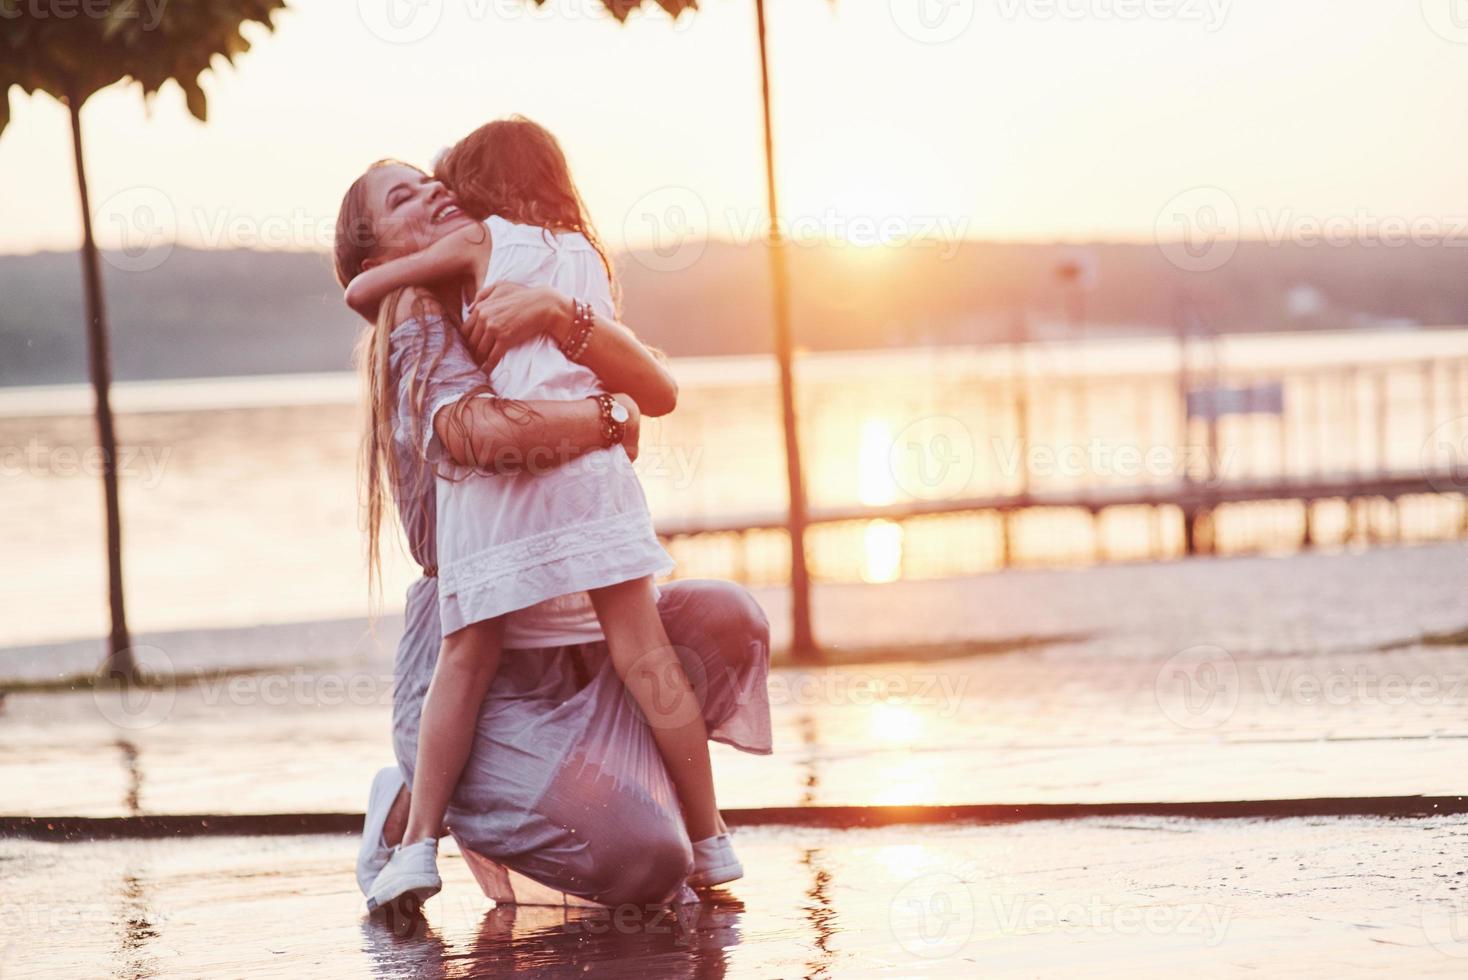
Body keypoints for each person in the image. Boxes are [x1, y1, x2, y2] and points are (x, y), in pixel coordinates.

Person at [334, 158, 771, 911]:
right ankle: (414, 811)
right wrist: (608, 419)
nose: (436, 192)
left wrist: (557, 313)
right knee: (645, 865)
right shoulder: (410, 307)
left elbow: (659, 390)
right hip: (481, 661)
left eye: (430, 181)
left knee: (728, 619)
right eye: (404, 197)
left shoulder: (510, 281)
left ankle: (662, 815)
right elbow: (477, 433)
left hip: (578, 638)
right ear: (378, 257)